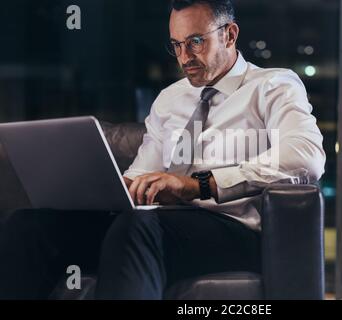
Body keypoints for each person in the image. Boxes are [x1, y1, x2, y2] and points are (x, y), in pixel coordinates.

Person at [0, 0, 325, 299]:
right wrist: (116, 188)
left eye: (196, 41)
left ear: (229, 35)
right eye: (176, 45)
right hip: (160, 225)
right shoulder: (170, 99)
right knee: (30, 226)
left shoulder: (273, 86)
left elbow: (305, 156)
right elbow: (143, 170)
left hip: (234, 229)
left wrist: (197, 184)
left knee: (136, 229)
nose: (184, 57)